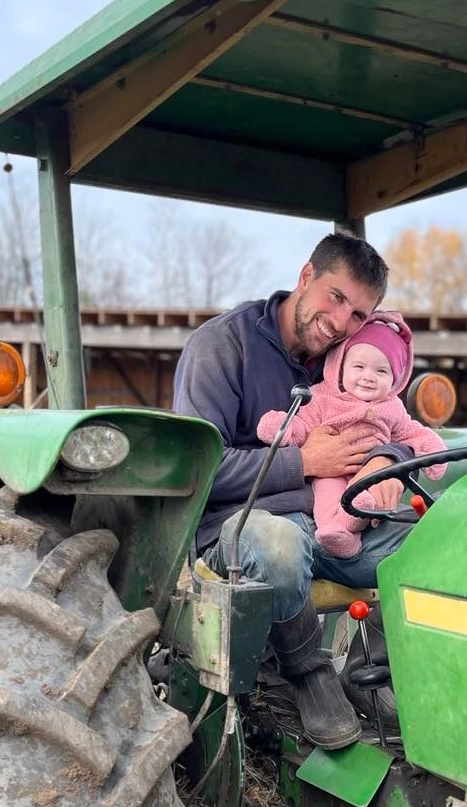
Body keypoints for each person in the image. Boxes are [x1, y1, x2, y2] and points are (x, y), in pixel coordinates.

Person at [172, 233, 415, 750]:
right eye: (336, 297)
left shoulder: (349, 355)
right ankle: (309, 673)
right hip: (240, 528)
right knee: (278, 545)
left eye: (358, 314)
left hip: (337, 523)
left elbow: (392, 421)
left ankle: (368, 671)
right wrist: (303, 461)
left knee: (433, 543)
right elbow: (196, 468)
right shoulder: (223, 346)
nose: (341, 321)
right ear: (306, 277)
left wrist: (387, 459)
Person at [255, 312, 446, 559]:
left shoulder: (392, 407)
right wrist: (283, 428)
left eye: (381, 371)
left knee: (375, 494)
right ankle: (339, 533)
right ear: (340, 366)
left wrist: (431, 450)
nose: (368, 377)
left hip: (368, 474)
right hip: (330, 473)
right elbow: (303, 422)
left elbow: (410, 432)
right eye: (359, 367)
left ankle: (356, 519)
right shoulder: (323, 398)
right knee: (327, 495)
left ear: (395, 379)